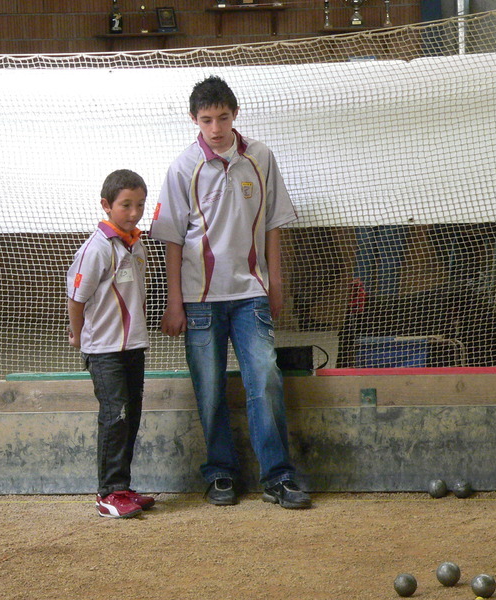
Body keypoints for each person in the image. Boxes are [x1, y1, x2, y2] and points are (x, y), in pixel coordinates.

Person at [151, 76, 311, 509]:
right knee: (209, 389)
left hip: (251, 294)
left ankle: (277, 476)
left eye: (223, 118)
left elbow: (274, 225)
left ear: (235, 114)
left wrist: (275, 285)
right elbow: (172, 239)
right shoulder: (183, 167)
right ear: (194, 119)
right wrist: (174, 302)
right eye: (207, 120)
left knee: (266, 378)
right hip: (200, 300)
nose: (216, 128)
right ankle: (220, 473)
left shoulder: (260, 157)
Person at [67, 169, 155, 518]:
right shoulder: (97, 249)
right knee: (114, 415)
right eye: (125, 205)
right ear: (106, 205)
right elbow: (76, 298)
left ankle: (123, 487)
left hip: (133, 346)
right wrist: (78, 336)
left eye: (140, 205)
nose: (134, 212)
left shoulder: (136, 244)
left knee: (130, 417)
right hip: (104, 350)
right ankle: (108, 493)